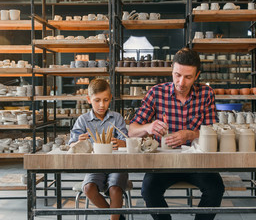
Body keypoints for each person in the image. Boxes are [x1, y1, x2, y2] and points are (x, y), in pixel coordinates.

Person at [128, 48, 225, 220]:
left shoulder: (206, 94)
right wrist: (148, 127)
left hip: (196, 161)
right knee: (148, 190)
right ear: (171, 70)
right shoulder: (156, 93)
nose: (181, 82)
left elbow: (213, 131)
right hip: (164, 162)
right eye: (177, 75)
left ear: (197, 76)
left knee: (216, 188)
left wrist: (190, 134)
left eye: (188, 77)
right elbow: (132, 130)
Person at [68, 78, 127, 220]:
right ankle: (117, 217)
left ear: (111, 98)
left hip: (117, 164)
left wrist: (121, 143)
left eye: (106, 100)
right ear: (89, 99)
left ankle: (115, 217)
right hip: (94, 166)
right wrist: (78, 142)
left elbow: (126, 141)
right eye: (97, 100)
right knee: (88, 188)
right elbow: (71, 144)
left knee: (115, 189)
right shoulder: (83, 120)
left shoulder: (116, 118)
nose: (102, 105)